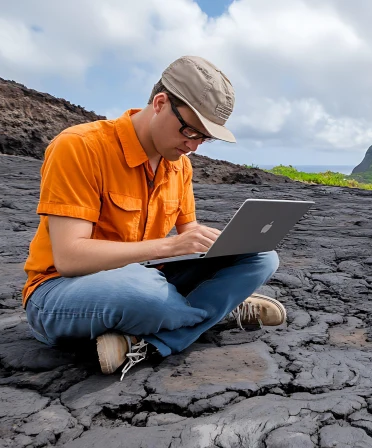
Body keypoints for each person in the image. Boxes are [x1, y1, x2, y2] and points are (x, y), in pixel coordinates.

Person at [21, 56, 286, 380]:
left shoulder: (180, 165)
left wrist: (217, 244)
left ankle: (146, 338)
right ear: (160, 103)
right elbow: (70, 258)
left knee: (262, 258)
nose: (193, 146)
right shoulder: (79, 147)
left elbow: (189, 239)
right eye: (189, 130)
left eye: (204, 138)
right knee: (141, 289)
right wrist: (168, 247)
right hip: (60, 292)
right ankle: (215, 315)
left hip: (147, 278)